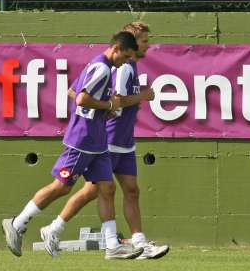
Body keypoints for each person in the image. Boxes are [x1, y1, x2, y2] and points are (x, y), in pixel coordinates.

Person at [2, 31, 144, 260]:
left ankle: (112, 246)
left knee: (106, 189)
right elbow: (81, 98)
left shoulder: (103, 66)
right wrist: (107, 104)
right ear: (116, 48)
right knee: (62, 186)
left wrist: (101, 110)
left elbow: (73, 91)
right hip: (83, 140)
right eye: (125, 56)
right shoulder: (103, 68)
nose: (125, 61)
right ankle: (17, 223)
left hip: (98, 142)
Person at [41, 22, 169, 259]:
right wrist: (143, 96)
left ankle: (140, 243)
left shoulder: (129, 66)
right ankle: (54, 228)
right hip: (109, 139)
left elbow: (76, 92)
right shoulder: (123, 67)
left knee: (131, 191)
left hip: (125, 140)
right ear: (127, 44)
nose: (147, 46)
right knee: (93, 191)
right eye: (143, 42)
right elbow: (118, 101)